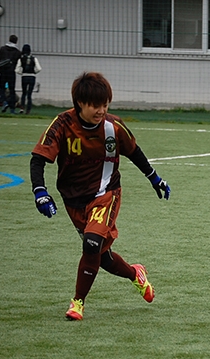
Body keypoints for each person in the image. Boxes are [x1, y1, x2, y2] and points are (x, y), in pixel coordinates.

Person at [29, 72, 171, 321]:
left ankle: (77, 303)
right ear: (80, 103)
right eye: (96, 105)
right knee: (101, 256)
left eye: (105, 104)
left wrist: (155, 178)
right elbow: (38, 159)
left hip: (106, 193)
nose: (101, 110)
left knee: (91, 243)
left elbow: (134, 152)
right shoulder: (62, 125)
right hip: (73, 199)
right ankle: (135, 273)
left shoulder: (113, 127)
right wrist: (40, 191)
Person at [0, 34, 21, 114]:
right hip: (11, 72)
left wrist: (0, 70)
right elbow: (18, 63)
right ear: (16, 41)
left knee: (2, 89)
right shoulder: (17, 52)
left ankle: (4, 102)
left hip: (3, 72)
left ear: (9, 39)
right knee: (12, 90)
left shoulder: (2, 49)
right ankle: (12, 109)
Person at [15, 44, 41, 114]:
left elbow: (17, 70)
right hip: (32, 77)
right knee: (29, 94)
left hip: (24, 77)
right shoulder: (34, 58)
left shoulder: (21, 59)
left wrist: (22, 73)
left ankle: (22, 108)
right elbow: (39, 68)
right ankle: (28, 110)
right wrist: (34, 72)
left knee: (24, 93)